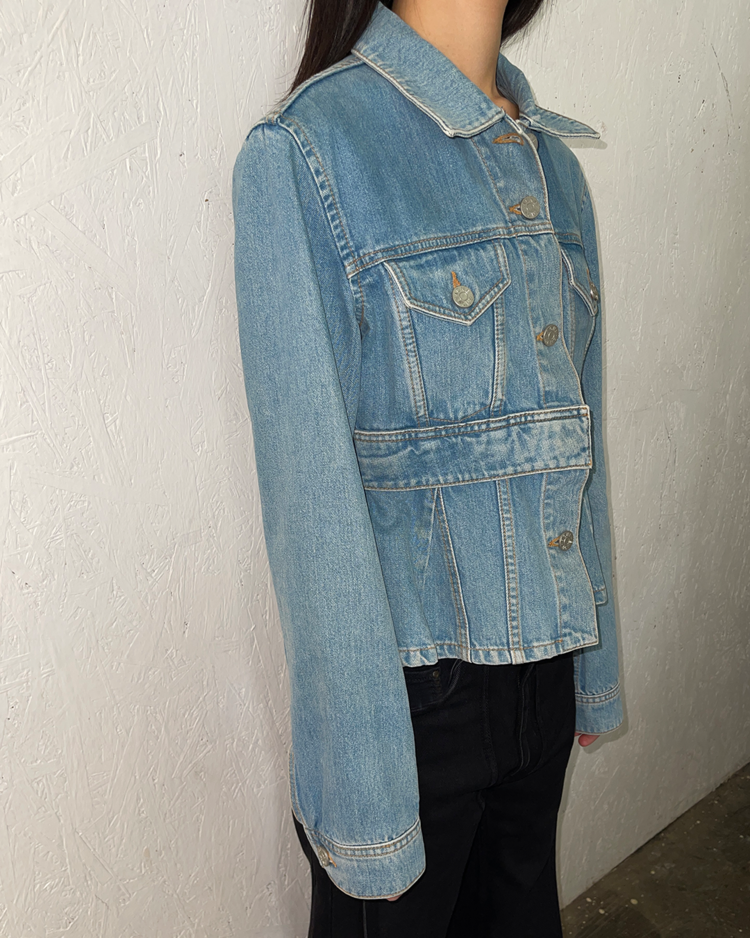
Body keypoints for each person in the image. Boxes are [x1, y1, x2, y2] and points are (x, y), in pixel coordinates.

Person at [232, 0, 624, 934]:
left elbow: (581, 440)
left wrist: (594, 668)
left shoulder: (553, 164)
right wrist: (362, 793)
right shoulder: (308, 153)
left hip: (545, 678)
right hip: (410, 707)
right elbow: (312, 512)